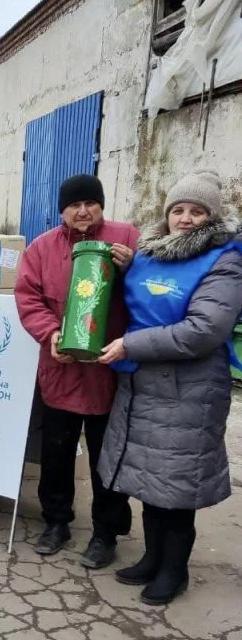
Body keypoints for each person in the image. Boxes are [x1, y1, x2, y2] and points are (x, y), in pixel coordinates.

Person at [98, 171, 242, 605]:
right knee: (148, 479)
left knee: (177, 487)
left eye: (197, 211)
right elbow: (140, 300)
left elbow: (203, 330)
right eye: (178, 210)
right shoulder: (152, 253)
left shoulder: (226, 261)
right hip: (143, 382)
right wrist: (123, 268)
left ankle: (173, 571)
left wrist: (130, 344)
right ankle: (151, 558)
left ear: (211, 217)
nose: (185, 218)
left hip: (190, 389)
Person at [14, 173, 139, 566]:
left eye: (91, 203)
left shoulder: (126, 239)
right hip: (61, 369)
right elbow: (28, 298)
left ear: (101, 205)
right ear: (62, 210)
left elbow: (154, 290)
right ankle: (56, 521)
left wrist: (131, 269)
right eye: (74, 205)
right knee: (56, 451)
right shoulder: (41, 248)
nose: (82, 211)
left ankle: (106, 532)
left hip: (110, 370)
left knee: (109, 454)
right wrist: (50, 334)